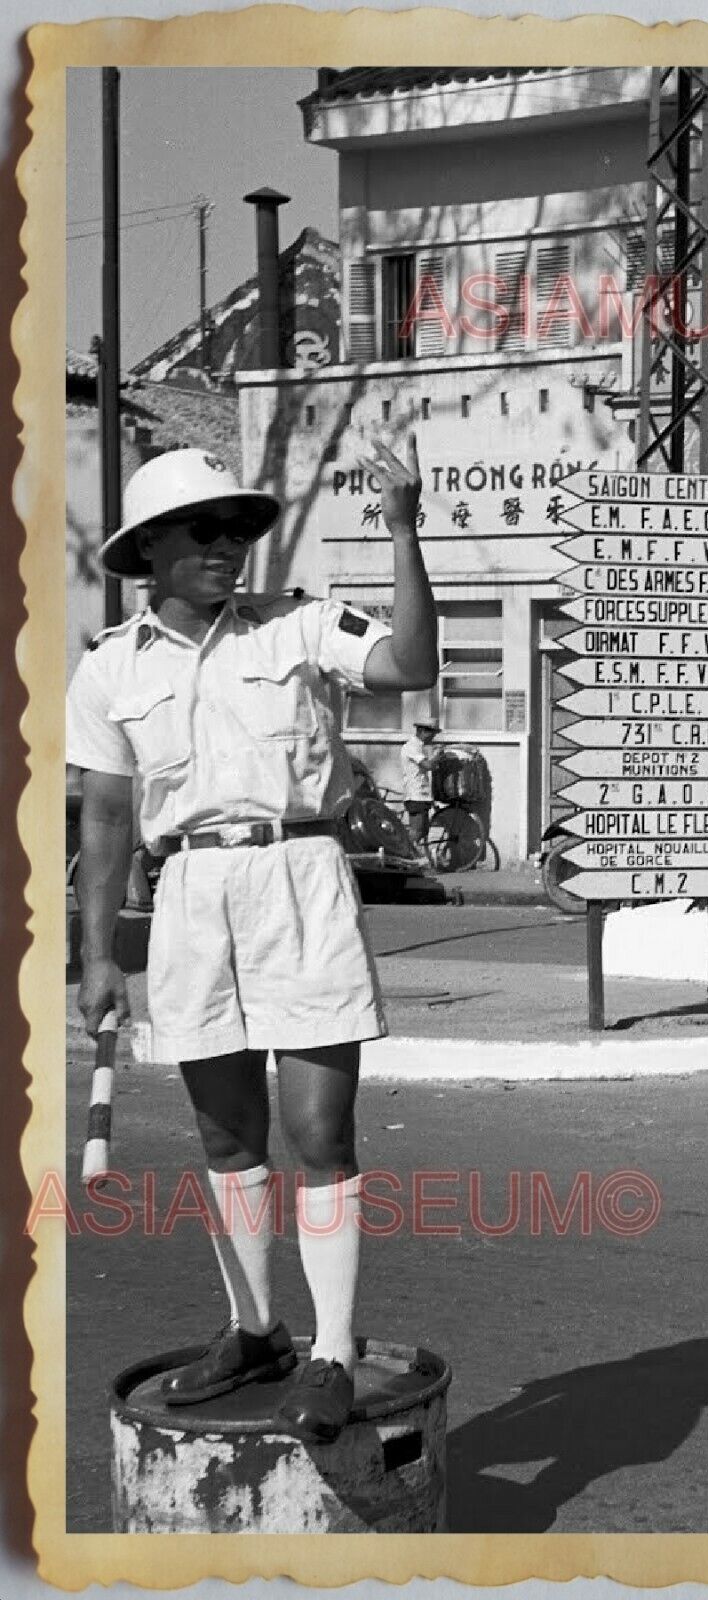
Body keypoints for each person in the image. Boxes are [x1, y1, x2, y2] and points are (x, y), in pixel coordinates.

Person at [67, 439, 437, 1444]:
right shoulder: (108, 667)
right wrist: (98, 954)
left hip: (298, 878)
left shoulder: (299, 627)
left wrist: (404, 529)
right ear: (149, 550)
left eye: (239, 528)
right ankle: (255, 1327)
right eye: (205, 529)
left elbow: (410, 662)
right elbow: (104, 818)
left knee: (320, 1133)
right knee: (227, 1137)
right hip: (188, 891)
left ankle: (331, 1347)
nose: (229, 545)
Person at [400, 719, 441, 858]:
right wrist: (437, 756)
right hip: (415, 794)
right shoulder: (411, 747)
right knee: (416, 831)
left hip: (422, 794)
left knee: (423, 831)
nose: (433, 737)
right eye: (432, 734)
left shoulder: (420, 747)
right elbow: (428, 765)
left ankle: (413, 857)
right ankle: (402, 855)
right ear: (423, 731)